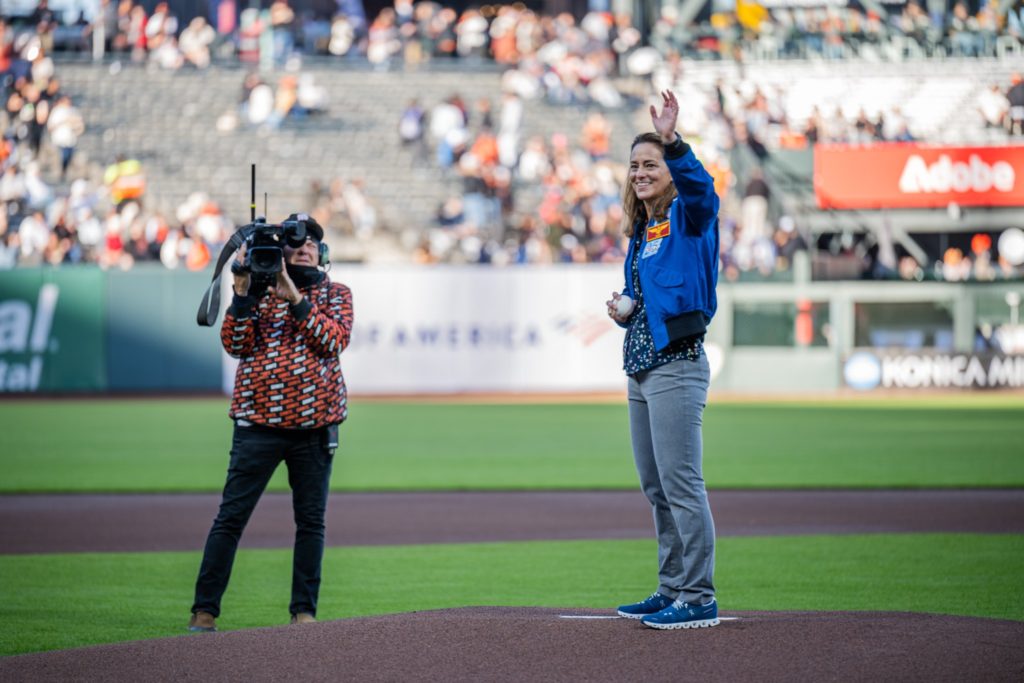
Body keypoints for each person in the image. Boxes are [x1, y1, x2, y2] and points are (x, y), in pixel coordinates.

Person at [188, 214, 354, 632]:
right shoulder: (256, 292)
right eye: (295, 244)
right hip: (257, 426)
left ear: (323, 254)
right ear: (277, 252)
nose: (304, 248)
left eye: (313, 243)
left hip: (315, 427)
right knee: (230, 518)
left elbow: (331, 339)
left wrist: (293, 294)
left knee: (311, 523)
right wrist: (242, 292)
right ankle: (203, 612)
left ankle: (304, 614)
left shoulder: (336, 294)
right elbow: (234, 344)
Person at [606, 90, 720, 630]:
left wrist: (673, 142)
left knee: (682, 484)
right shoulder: (642, 230)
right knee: (657, 488)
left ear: (670, 172)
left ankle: (698, 597)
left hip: (677, 362)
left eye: (650, 164)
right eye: (634, 165)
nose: (640, 172)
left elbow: (702, 189)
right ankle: (672, 586)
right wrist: (625, 306)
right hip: (642, 365)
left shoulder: (690, 215)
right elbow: (648, 295)